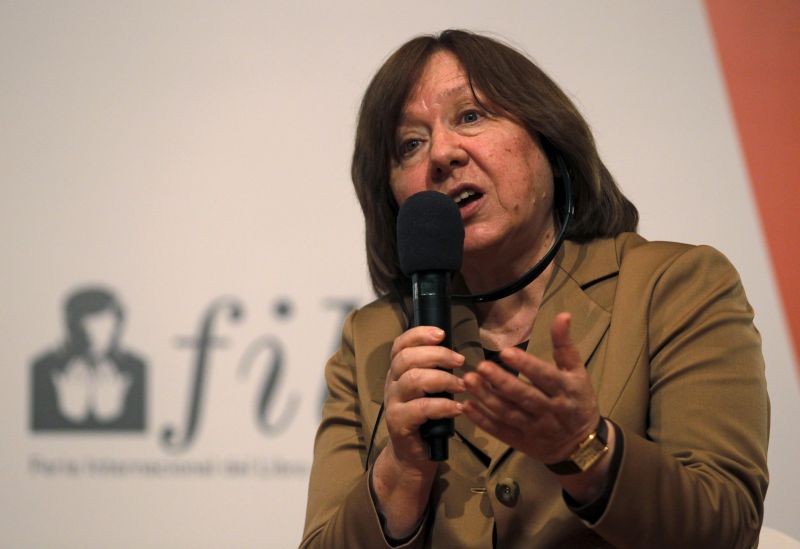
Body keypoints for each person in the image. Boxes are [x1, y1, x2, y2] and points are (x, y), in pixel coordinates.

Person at [301, 30, 769, 548]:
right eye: (410, 144)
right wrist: (401, 472)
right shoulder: (373, 340)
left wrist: (586, 448)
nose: (442, 153)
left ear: (547, 134)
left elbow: (727, 529)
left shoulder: (674, 287)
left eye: (470, 116)